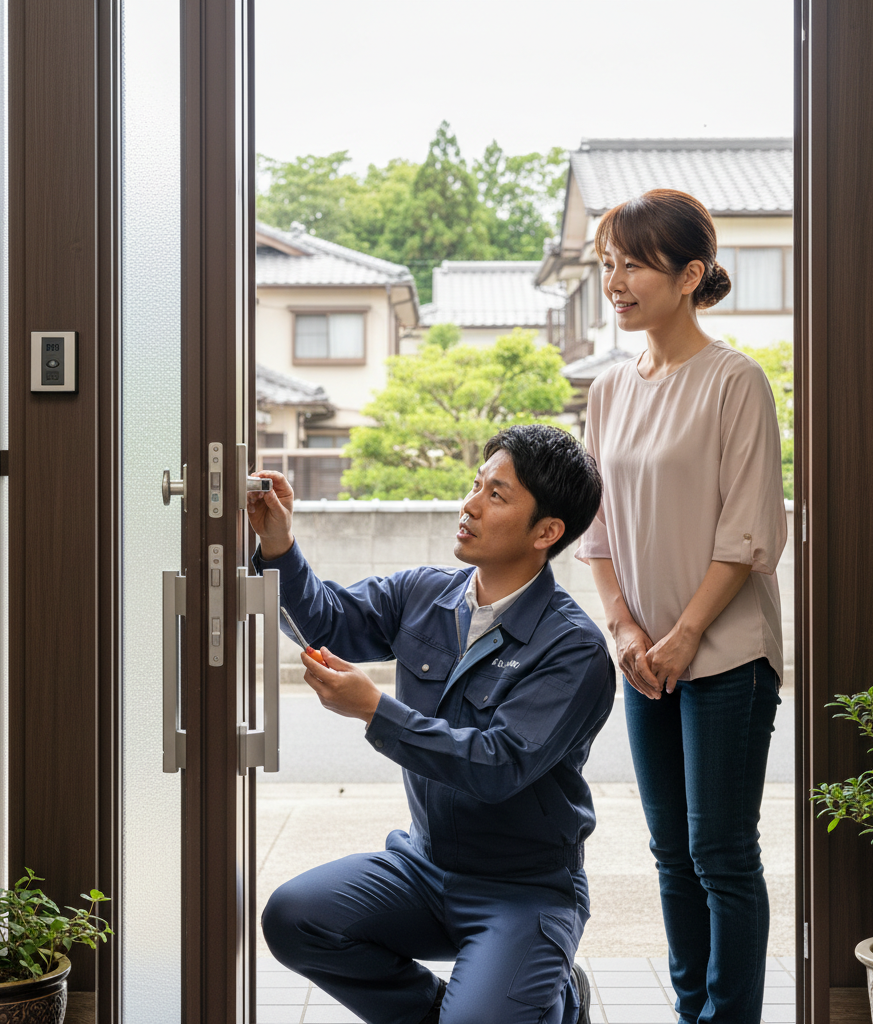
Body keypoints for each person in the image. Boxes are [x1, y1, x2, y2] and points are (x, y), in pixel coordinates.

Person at [248, 424, 614, 1024]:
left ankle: (557, 994)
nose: (468, 505)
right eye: (476, 485)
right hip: (424, 867)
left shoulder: (573, 648)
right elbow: (328, 620)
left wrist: (374, 708)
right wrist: (280, 546)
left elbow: (500, 765)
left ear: (546, 532)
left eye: (496, 495)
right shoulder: (424, 594)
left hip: (524, 891)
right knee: (294, 918)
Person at [578, 188, 786, 1024]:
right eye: (607, 265)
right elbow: (595, 531)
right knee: (670, 853)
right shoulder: (607, 390)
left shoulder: (734, 381)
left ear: (691, 273)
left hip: (726, 654)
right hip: (643, 656)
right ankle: (690, 1009)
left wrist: (682, 636)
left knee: (721, 853)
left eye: (633, 264)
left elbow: (747, 536)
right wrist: (626, 628)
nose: (615, 281)